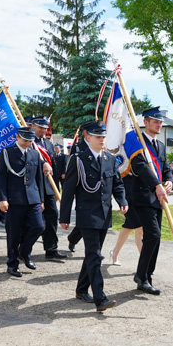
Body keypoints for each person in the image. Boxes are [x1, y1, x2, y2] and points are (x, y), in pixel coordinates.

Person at [59, 120, 128, 312]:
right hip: (86, 214)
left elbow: (117, 184)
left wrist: (122, 200)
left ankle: (81, 289)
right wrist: (64, 216)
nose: (102, 140)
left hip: (104, 214)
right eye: (98, 137)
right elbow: (68, 190)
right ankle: (100, 298)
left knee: (92, 255)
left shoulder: (110, 159)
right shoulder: (78, 159)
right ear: (87, 137)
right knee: (95, 255)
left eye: (104, 137)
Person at [131, 106, 173, 295]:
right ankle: (141, 276)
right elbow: (140, 167)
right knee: (154, 235)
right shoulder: (137, 143)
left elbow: (165, 169)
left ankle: (147, 276)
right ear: (145, 122)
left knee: (154, 238)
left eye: (160, 122)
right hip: (142, 197)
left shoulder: (161, 146)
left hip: (158, 198)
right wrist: (156, 185)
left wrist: (170, 181)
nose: (159, 125)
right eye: (155, 121)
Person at [0, 126, 45, 277]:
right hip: (14, 199)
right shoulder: (7, 153)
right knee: (13, 234)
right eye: (25, 140)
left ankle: (24, 252)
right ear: (17, 137)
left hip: (33, 198)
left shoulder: (35, 154)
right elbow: (0, 177)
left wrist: (41, 199)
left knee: (39, 226)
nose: (27, 143)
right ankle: (12, 264)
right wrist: (2, 198)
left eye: (30, 140)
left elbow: (39, 179)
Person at [31, 117, 66, 259]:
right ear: (32, 126)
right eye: (40, 127)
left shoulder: (48, 144)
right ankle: (23, 248)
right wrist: (42, 163)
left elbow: (53, 168)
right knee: (33, 221)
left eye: (45, 128)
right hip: (34, 186)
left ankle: (51, 249)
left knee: (52, 217)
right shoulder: (29, 142)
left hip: (49, 187)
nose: (43, 130)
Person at [109, 173, 143, 265]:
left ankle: (115, 253)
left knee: (130, 226)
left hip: (141, 193)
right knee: (139, 226)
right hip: (127, 194)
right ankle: (144, 263)